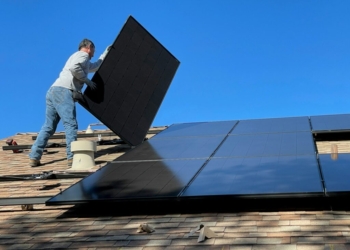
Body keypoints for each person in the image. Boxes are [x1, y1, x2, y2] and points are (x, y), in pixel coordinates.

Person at [29, 38, 110, 167]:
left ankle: (34, 156)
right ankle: (72, 157)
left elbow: (94, 67)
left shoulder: (79, 58)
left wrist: (105, 54)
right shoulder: (82, 55)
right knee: (70, 124)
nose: (94, 52)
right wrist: (86, 81)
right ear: (89, 47)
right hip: (63, 91)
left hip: (53, 91)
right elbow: (74, 68)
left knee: (48, 127)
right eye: (94, 50)